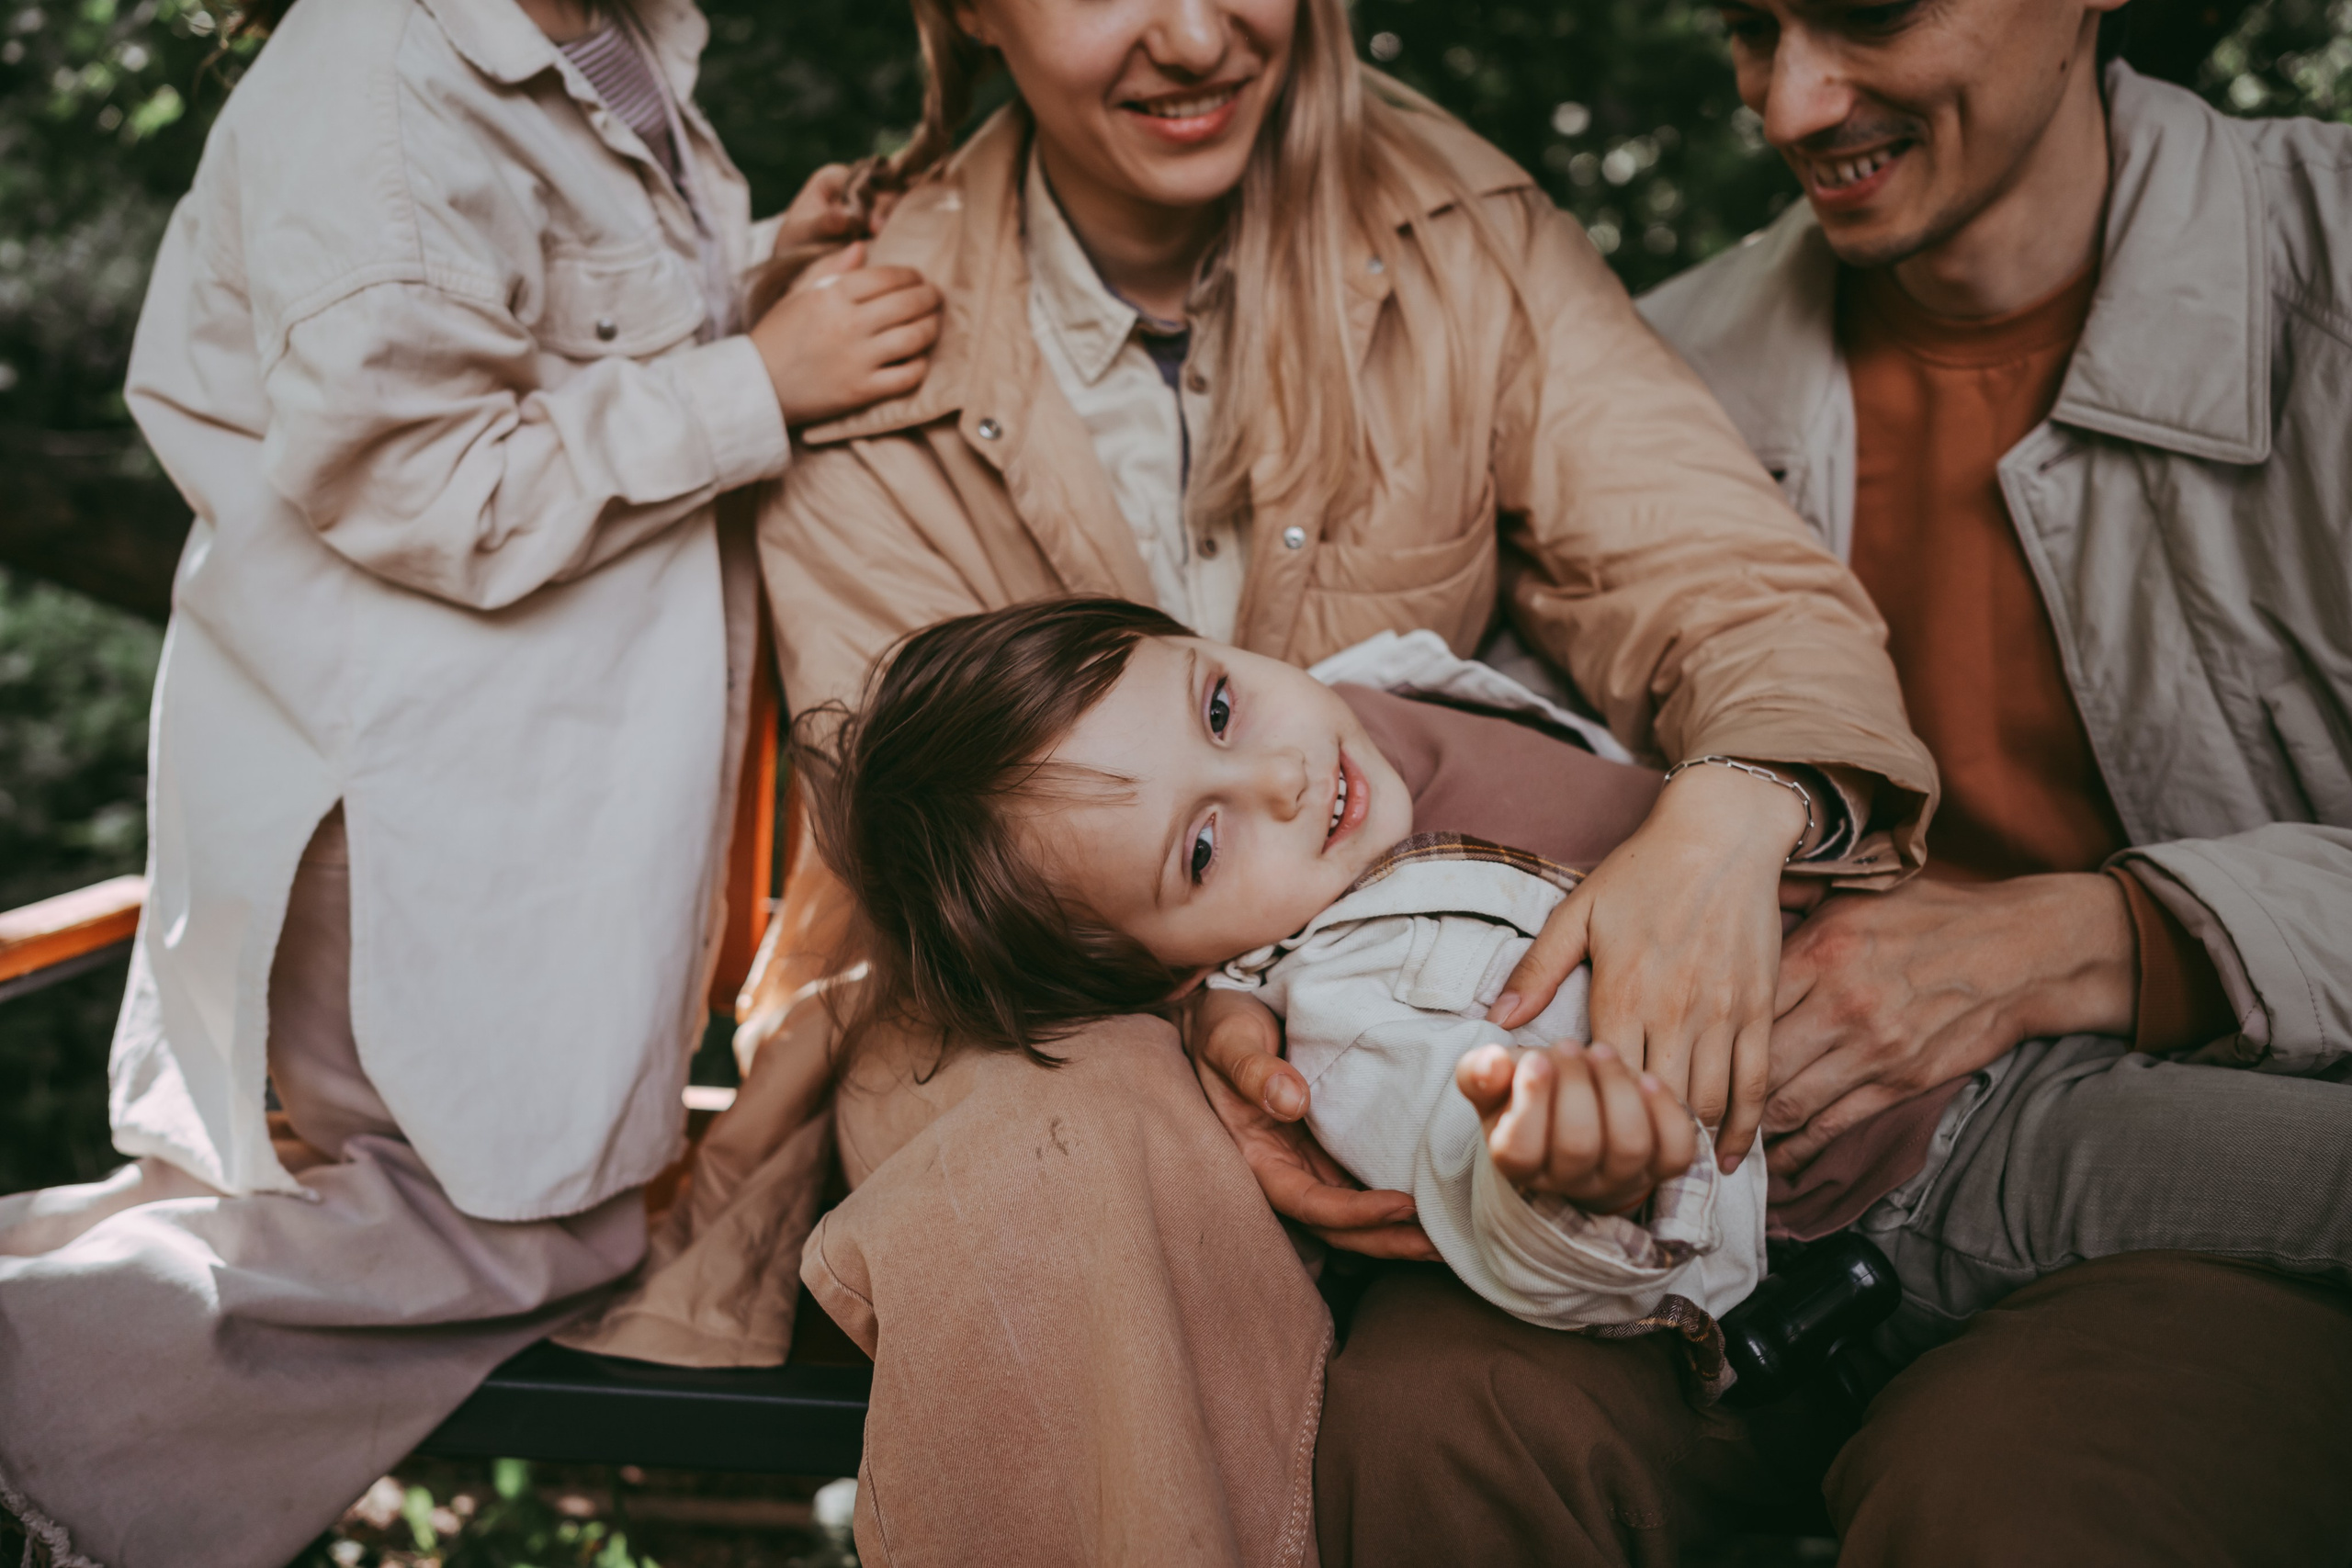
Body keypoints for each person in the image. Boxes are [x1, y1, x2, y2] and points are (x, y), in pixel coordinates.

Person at [581, 0, 1935, 1557]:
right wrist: (1219, 1015)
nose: (1193, 33)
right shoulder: (870, 332)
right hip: (1023, 1013)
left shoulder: (1459, 234)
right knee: (1070, 1144)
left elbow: (1727, 582)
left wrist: (1733, 807)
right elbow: (946, 864)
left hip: (1430, 1005)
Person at [1315, 3, 2352, 1564]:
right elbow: (1495, 764)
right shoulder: (1667, 367)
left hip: (2182, 1185)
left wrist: (2074, 944)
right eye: (1751, 25)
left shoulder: (2324, 266)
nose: (1795, 101)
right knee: (1428, 1421)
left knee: (2022, 1501)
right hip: (1732, 1206)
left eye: (1869, 12)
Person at [0, 0, 940, 1561]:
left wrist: (763, 272)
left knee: (521, 1212)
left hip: (522, 793)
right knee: (509, 1233)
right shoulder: (374, 81)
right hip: (398, 796)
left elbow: (543, 328)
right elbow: (426, 476)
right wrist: (762, 384)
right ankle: (38, 1387)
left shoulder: (604, 35)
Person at [819, 595, 2352, 1369]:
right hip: (1930, 1170)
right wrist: (1565, 1175)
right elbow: (1481, 1183)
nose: (1280, 775)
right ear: (1175, 968)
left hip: (1980, 1004)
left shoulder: (1369, 700)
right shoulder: (1344, 1017)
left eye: (1219, 701)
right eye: (1202, 850)